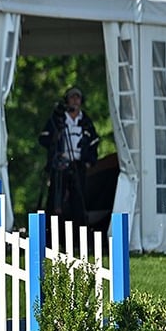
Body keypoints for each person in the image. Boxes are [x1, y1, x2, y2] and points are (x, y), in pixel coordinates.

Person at [38, 86, 100, 227]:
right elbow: (43, 138)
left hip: (78, 165)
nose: (75, 100)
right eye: (72, 97)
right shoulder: (58, 119)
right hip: (60, 165)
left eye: (77, 97)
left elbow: (94, 143)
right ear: (67, 100)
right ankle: (51, 235)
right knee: (55, 201)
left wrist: (89, 162)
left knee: (79, 201)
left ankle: (78, 237)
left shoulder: (86, 121)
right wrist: (56, 138)